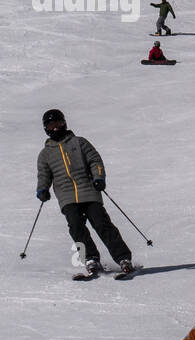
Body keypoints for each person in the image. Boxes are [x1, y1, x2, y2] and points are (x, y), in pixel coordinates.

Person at [35, 109, 134, 276]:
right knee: (75, 226)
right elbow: (43, 174)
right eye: (51, 125)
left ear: (64, 123)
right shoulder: (45, 154)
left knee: (101, 223)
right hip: (66, 196)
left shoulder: (79, 142)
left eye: (58, 123)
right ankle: (90, 259)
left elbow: (95, 161)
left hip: (88, 190)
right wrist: (42, 189)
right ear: (46, 128)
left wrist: (98, 177)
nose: (56, 128)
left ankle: (123, 257)